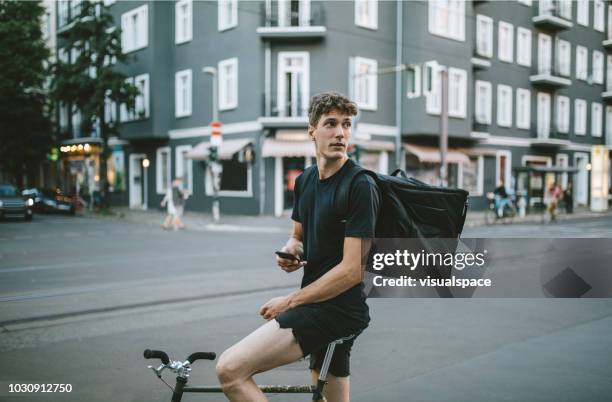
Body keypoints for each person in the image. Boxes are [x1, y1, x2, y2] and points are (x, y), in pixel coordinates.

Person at [215, 92, 379, 402]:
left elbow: (352, 270)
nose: (340, 132)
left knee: (229, 370)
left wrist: (290, 301)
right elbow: (298, 236)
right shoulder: (304, 181)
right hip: (319, 302)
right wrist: (292, 251)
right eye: (330, 124)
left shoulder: (360, 185)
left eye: (346, 124)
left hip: (338, 310)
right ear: (312, 131)